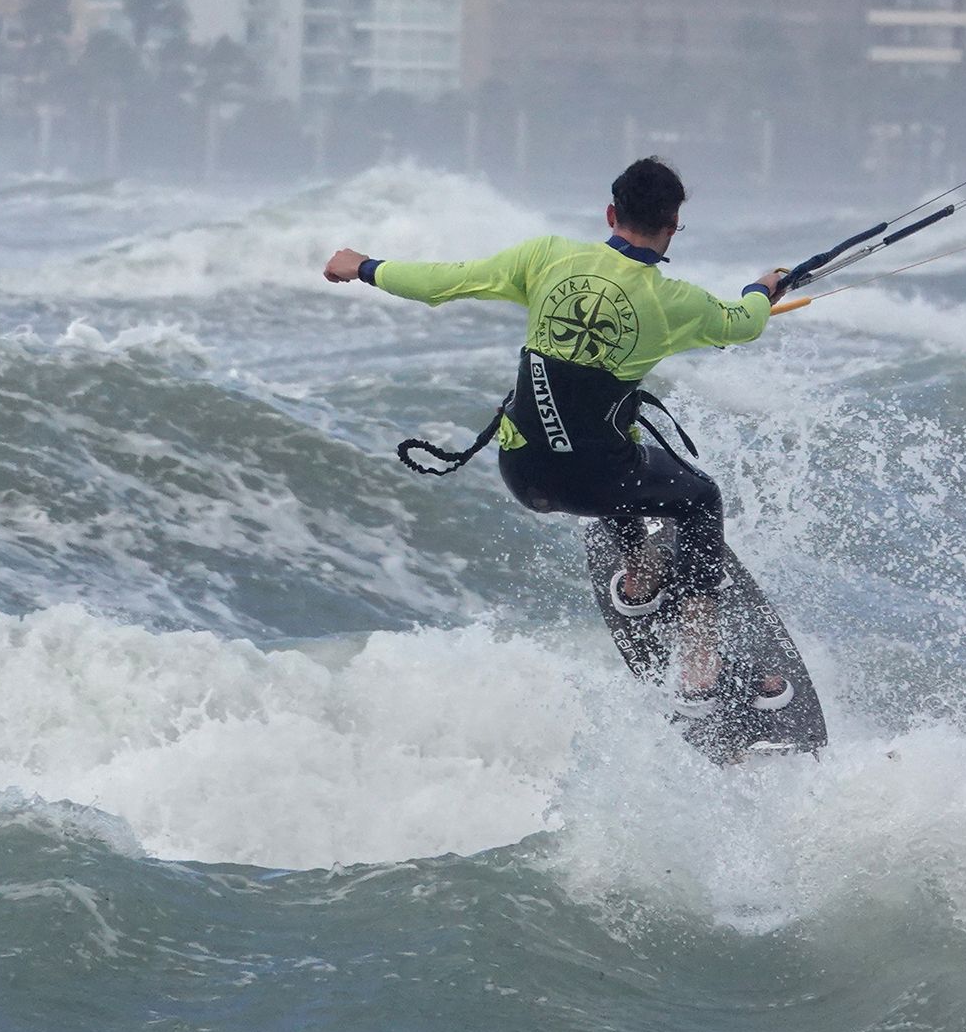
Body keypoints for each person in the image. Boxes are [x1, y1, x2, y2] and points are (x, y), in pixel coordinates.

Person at [323, 157, 789, 715]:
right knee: (695, 495)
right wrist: (763, 287)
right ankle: (698, 673)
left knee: (618, 443)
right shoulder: (676, 303)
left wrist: (365, 265)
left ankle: (640, 586)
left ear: (611, 213)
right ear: (672, 228)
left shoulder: (546, 258)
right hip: (597, 486)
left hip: (522, 474)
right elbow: (742, 323)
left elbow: (442, 284)